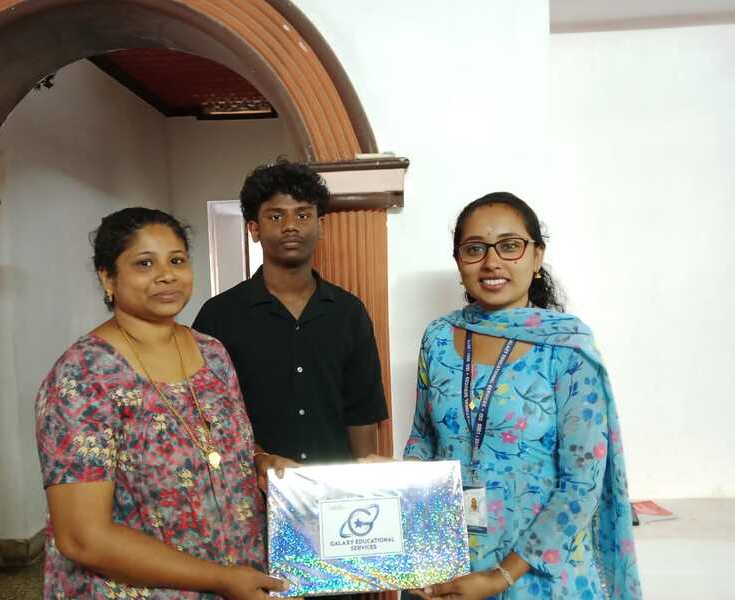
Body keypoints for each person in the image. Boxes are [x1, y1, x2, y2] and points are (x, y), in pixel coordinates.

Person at [35, 208, 288, 599]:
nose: (167, 275)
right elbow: (82, 538)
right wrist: (221, 579)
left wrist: (259, 461)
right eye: (144, 263)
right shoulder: (84, 376)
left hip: (240, 578)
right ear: (108, 278)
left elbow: (217, 445)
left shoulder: (212, 352)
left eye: (177, 260)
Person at [405, 193, 641, 599]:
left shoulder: (566, 348)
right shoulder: (439, 338)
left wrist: (501, 576)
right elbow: (423, 439)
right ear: (459, 260)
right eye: (474, 249)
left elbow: (582, 482)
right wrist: (391, 484)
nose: (491, 262)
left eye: (510, 246)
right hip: (452, 566)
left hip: (541, 574)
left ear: (537, 257)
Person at [192, 159, 388, 484]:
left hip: (331, 492)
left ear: (320, 225)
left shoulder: (349, 312)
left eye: (302, 215)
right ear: (254, 229)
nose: (290, 226)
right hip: (249, 492)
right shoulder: (219, 316)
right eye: (276, 216)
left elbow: (362, 411)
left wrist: (366, 485)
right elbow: (206, 415)